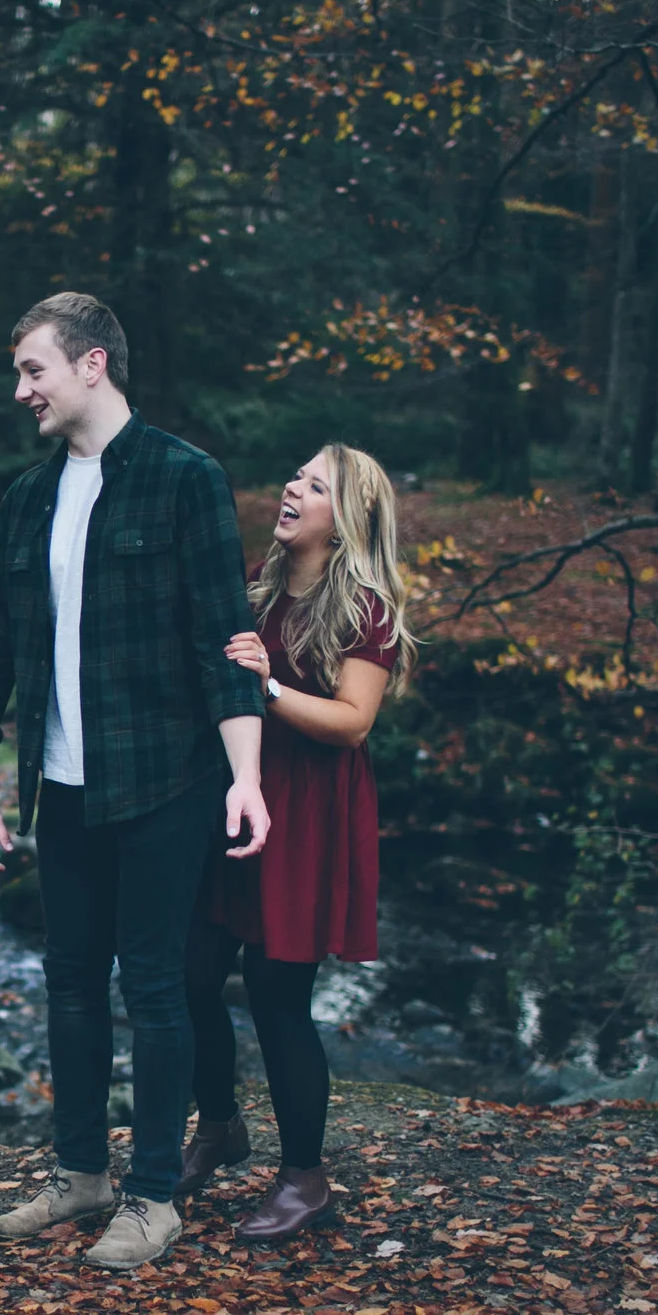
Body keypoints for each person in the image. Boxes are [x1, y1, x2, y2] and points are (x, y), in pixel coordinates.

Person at [0, 291, 269, 1272]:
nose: (20, 389)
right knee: (72, 981)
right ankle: (80, 1172)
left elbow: (227, 645)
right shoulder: (26, 497)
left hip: (167, 780)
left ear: (92, 365)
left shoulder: (185, 480)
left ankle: (154, 1194)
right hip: (63, 786)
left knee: (158, 984)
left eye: (33, 369)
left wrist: (244, 776)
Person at [174, 443, 415, 1241]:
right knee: (189, 974)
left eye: (317, 485)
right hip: (235, 794)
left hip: (308, 810)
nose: (293, 486)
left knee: (277, 995)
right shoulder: (260, 582)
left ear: (345, 520)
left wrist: (267, 684)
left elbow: (353, 723)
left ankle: (304, 1177)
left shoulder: (365, 608)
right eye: (297, 475)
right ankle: (218, 1125)